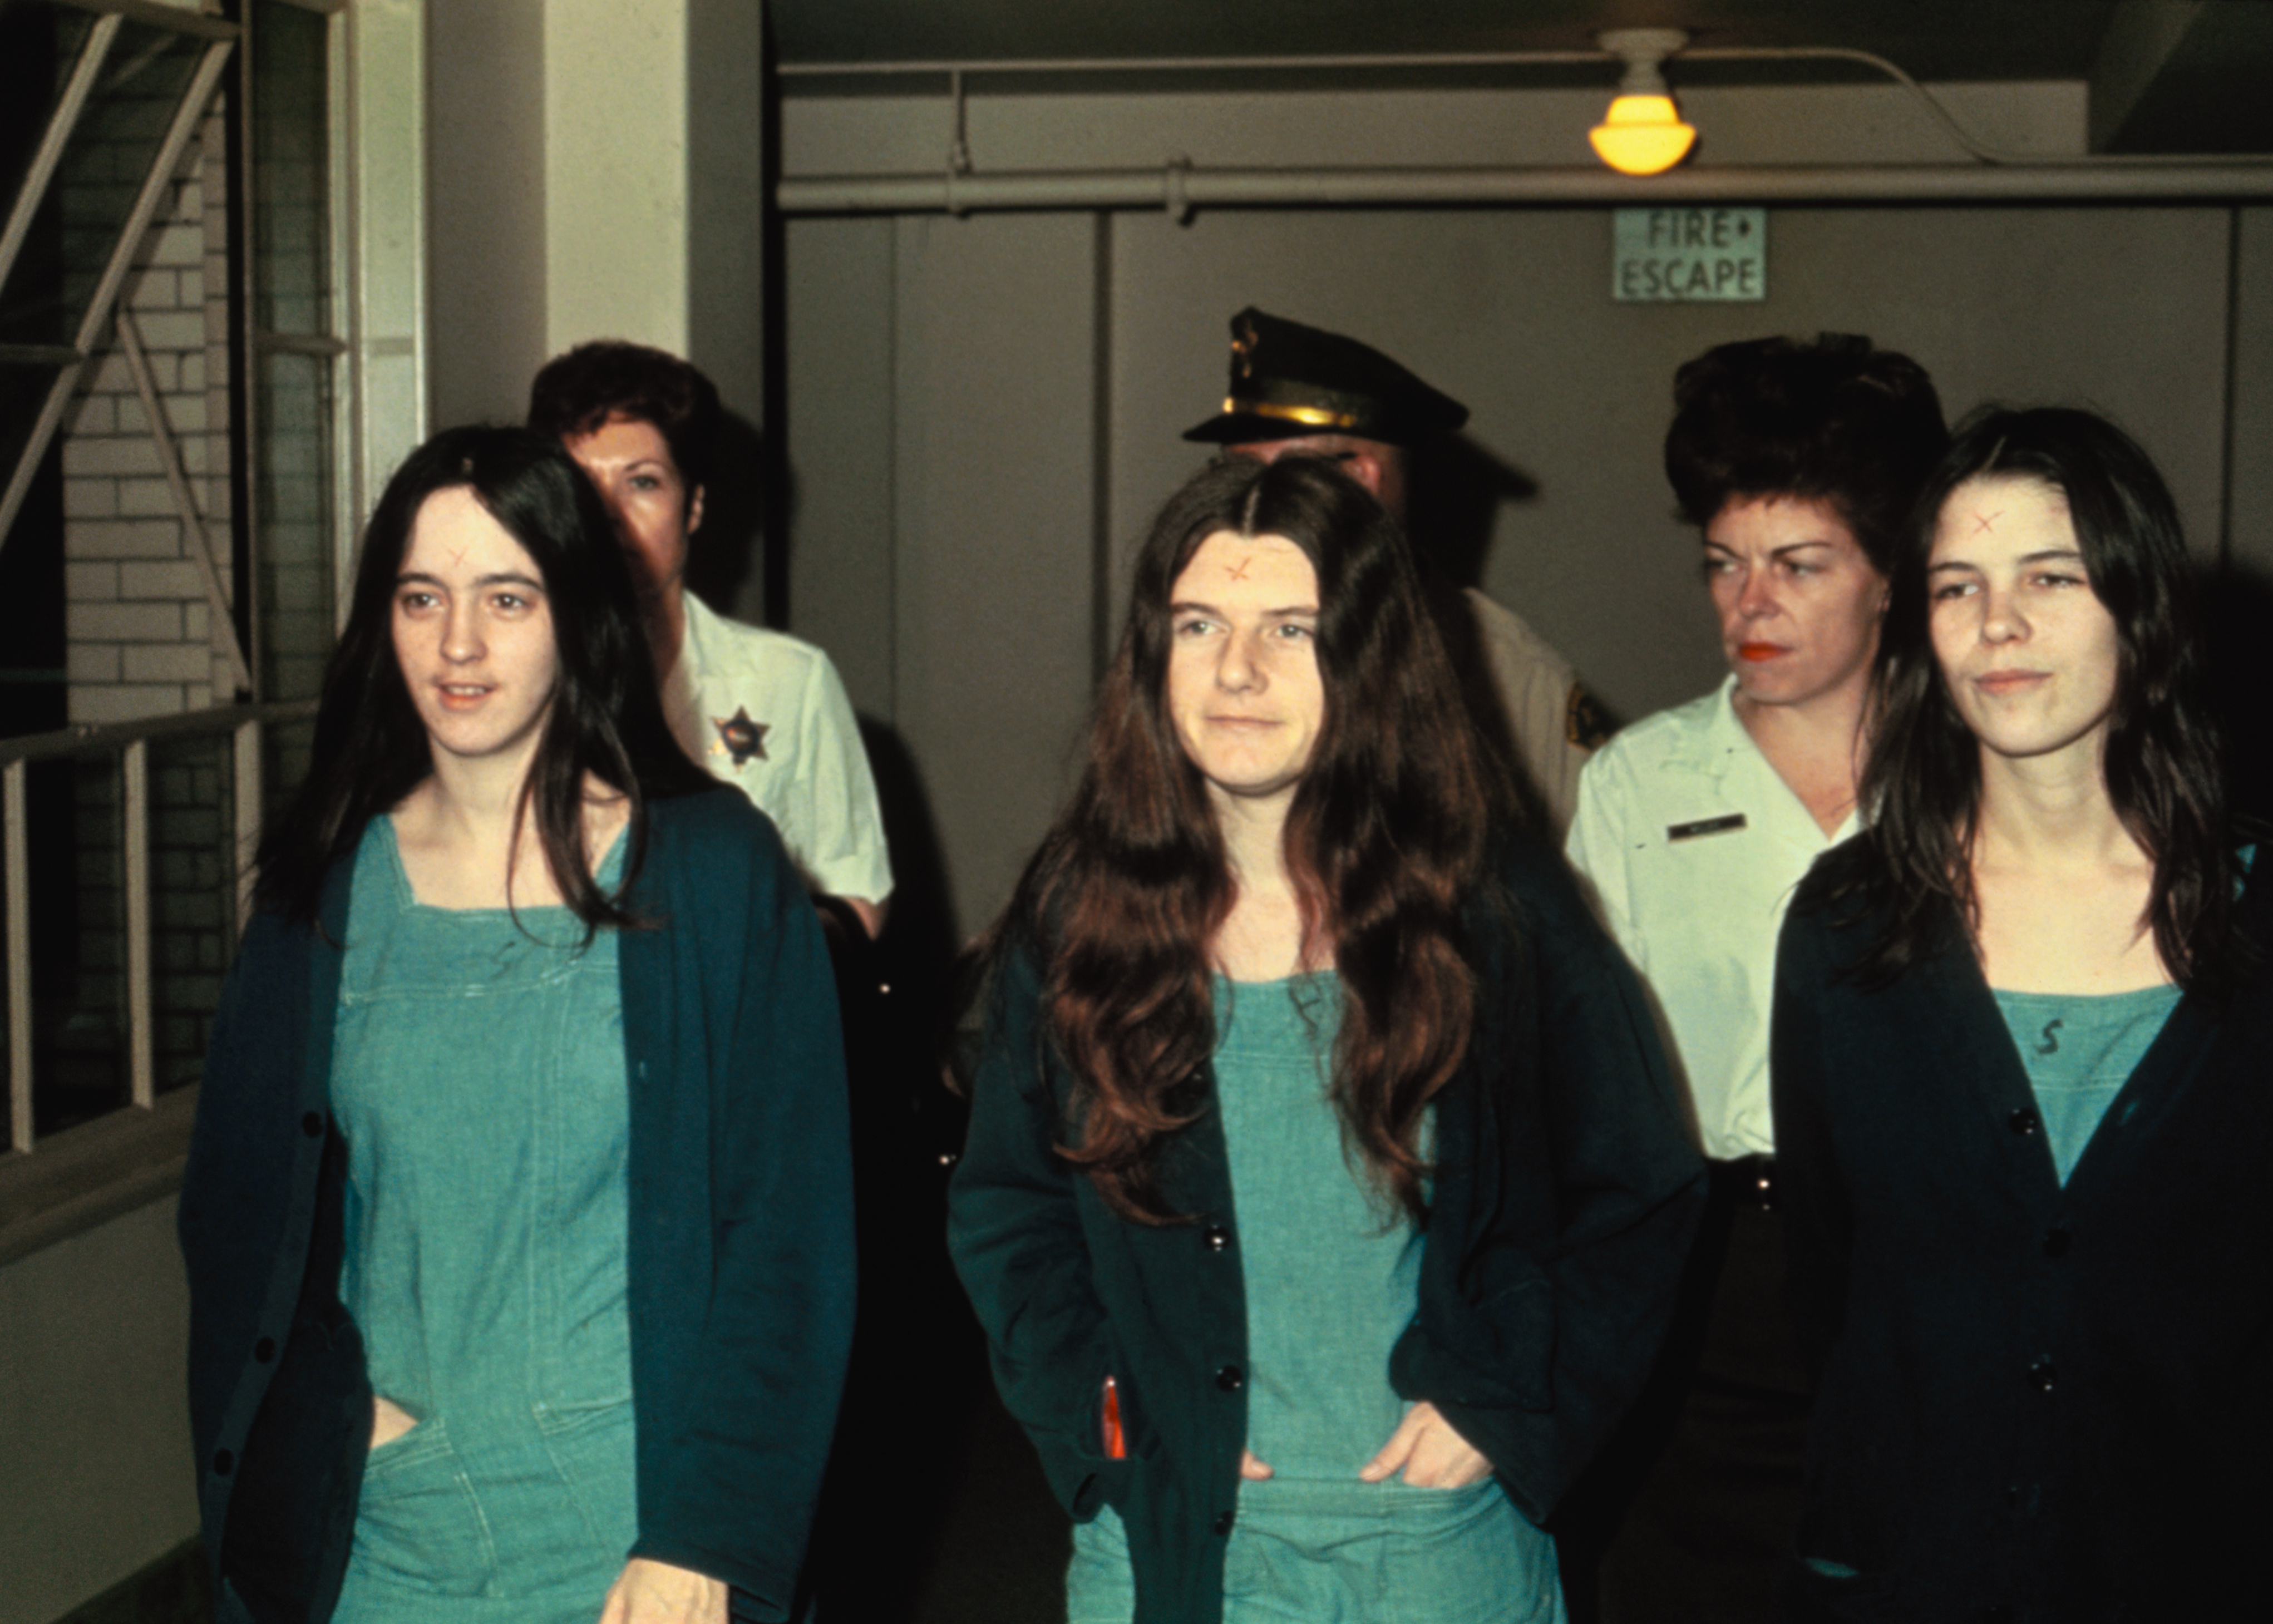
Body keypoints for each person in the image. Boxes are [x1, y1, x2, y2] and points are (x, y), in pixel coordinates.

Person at [947, 454, 1705, 1624]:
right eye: (1198, 623)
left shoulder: (1489, 905)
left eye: (1291, 629)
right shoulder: (1078, 912)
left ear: (1366, 654)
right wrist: (1108, 1411)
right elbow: (1008, 1207)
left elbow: (1635, 1186)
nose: (1236, 670)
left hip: (1433, 1545)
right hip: (1167, 1538)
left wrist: (1506, 1400)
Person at [179, 426, 855, 1624]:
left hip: (636, 1539)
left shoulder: (710, 873)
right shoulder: (321, 896)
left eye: (506, 597)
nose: (458, 644)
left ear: (574, 616)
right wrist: (341, 1415)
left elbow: (786, 1238)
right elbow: (235, 1216)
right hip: (387, 1528)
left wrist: (709, 1528)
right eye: (421, 597)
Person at [1772, 407, 2273, 1619]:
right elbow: (1827, 1289)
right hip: (1915, 1578)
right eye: (1957, 586)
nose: (1997, 625)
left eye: (2048, 578)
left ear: (2136, 606)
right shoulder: (1846, 927)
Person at [1561, 334, 1944, 1621]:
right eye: (1724, 565)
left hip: (1927, 1254)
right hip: (1709, 1273)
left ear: (1890, 578)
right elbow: (1579, 1070)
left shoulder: (1973, 780)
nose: (1749, 604)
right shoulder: (1641, 782)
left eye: (1797, 565)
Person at [1184, 306, 1608, 833]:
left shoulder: (1512, 681)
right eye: (1235, 474)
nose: (1251, 503)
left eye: (1285, 479)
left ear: (1363, 479)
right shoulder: (1194, 653)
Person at [529, 339, 893, 935]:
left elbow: (856, 898)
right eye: (580, 486)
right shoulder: (505, 678)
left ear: (693, 506)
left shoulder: (789, 679)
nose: (609, 517)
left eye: (642, 483)